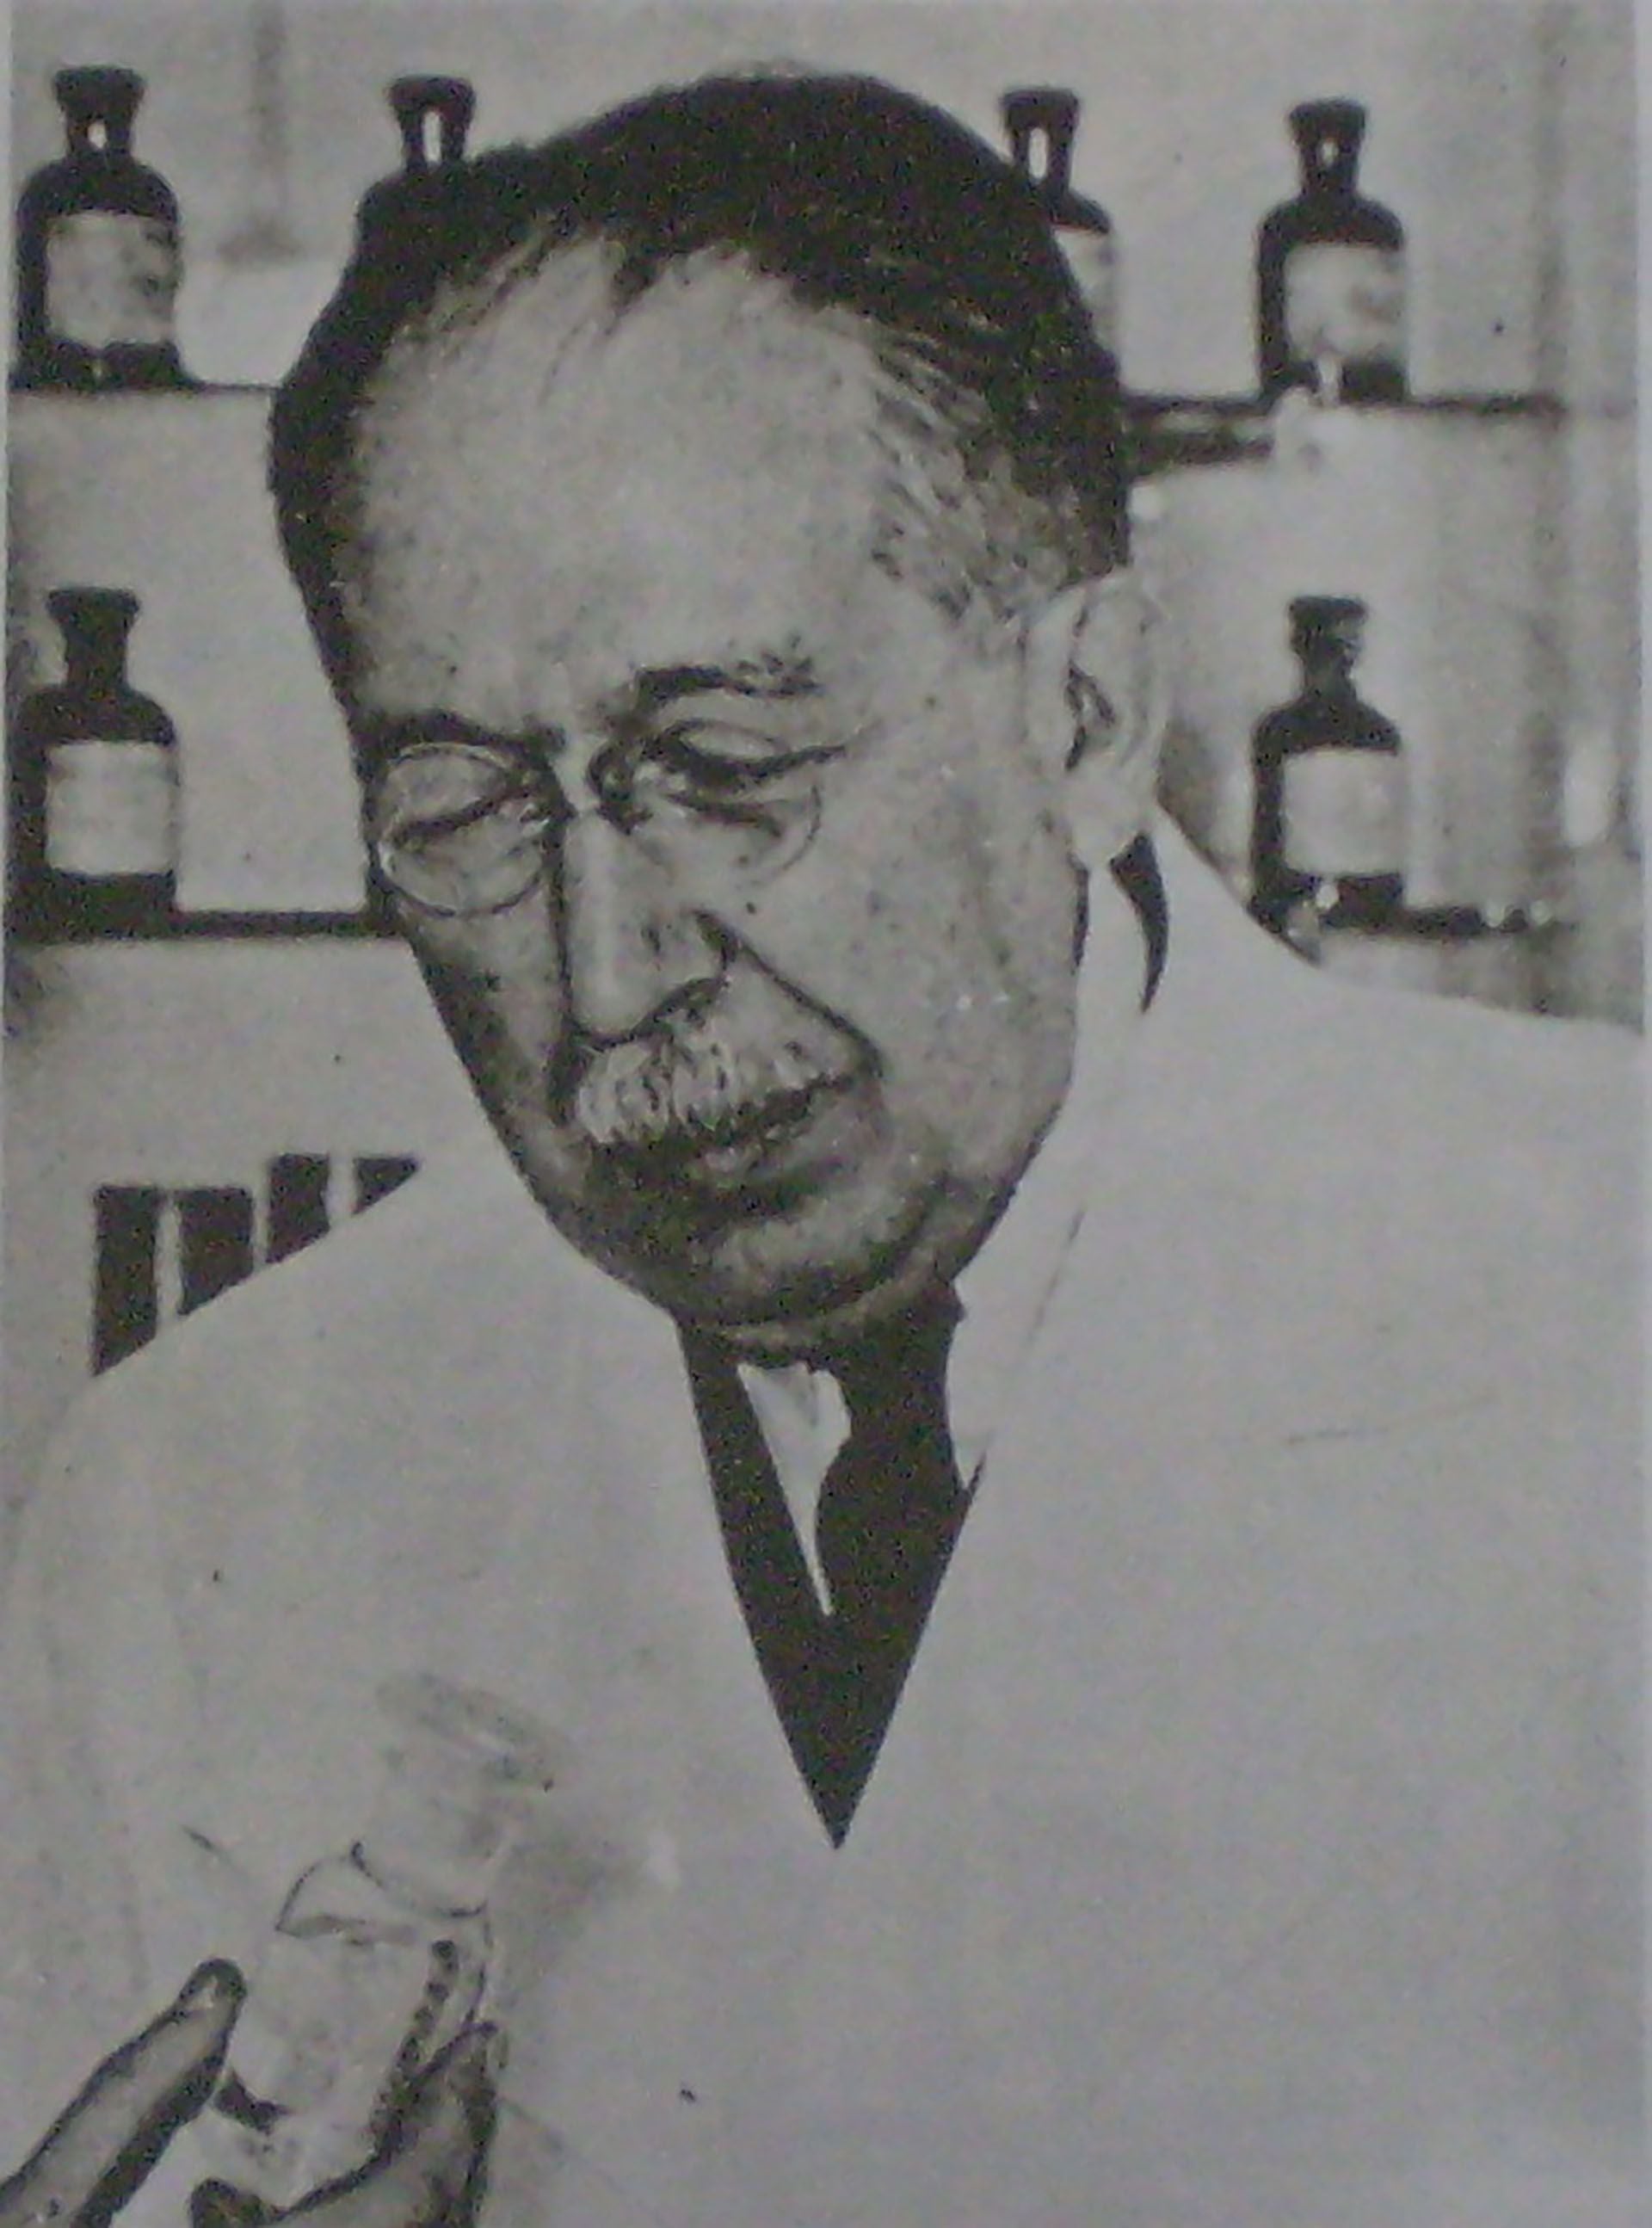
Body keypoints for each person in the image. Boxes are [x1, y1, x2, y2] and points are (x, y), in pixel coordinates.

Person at [1, 71, 1643, 2228]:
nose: (608, 978)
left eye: (725, 766)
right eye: (467, 808)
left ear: (1086, 715)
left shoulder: (1602, 1295)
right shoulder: (194, 1493)